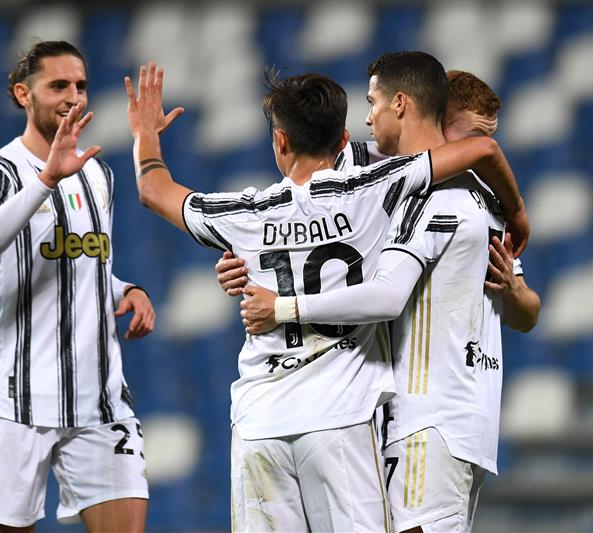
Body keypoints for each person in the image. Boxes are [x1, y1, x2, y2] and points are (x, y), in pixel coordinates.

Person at [124, 58, 527, 532]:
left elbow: (153, 190)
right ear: (342, 143)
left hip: (260, 421)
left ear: (279, 141)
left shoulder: (247, 214)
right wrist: (517, 213)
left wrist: (145, 135)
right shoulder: (375, 191)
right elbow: (480, 150)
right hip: (342, 419)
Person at [235, 60, 541, 533]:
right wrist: (246, 258)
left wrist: (516, 288)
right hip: (427, 417)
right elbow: (300, 207)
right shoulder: (382, 178)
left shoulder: (472, 199)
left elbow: (525, 314)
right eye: (467, 133)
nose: (468, 149)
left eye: (476, 138)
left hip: (448, 418)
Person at [0, 41, 162, 532]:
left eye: (81, 85)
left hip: (98, 400)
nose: (73, 96)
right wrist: (45, 179)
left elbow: (83, 265)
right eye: (58, 85)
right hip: (15, 400)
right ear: (23, 94)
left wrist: (125, 290)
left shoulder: (98, 175)